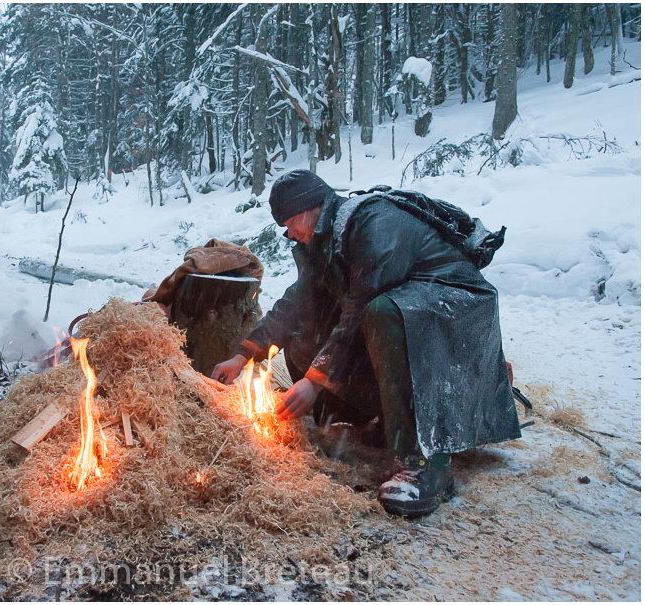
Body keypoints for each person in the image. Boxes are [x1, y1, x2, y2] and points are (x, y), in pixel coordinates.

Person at [211, 169, 521, 517]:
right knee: (312, 325)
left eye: (290, 225)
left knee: (383, 312)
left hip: (453, 311)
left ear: (307, 208)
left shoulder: (373, 221)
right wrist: (244, 354)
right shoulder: (325, 239)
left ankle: (424, 463)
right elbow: (298, 302)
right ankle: (390, 421)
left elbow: (362, 306)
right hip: (409, 314)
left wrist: (315, 381)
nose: (292, 235)